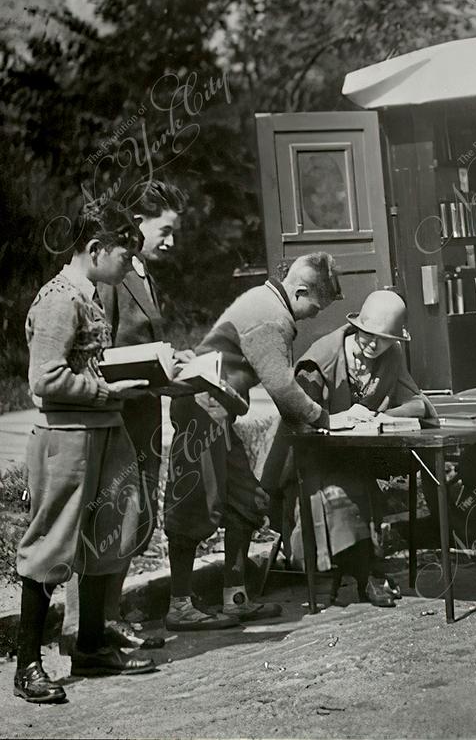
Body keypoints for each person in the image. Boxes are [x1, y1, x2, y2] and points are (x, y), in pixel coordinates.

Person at [15, 202, 157, 704]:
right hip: (67, 438)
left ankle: (92, 645)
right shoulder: (59, 299)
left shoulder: (90, 293)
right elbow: (44, 378)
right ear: (94, 249)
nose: (128, 266)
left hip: (104, 431)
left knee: (109, 533)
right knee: (52, 544)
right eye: (124, 254)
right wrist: (111, 393)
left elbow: (88, 363)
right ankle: (28, 664)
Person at [162, 252, 348, 631]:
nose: (317, 314)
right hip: (203, 411)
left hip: (216, 412)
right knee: (194, 507)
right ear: (299, 291)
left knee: (247, 501)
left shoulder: (268, 301)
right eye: (317, 304)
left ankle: (236, 599)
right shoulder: (273, 316)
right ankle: (179, 606)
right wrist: (326, 419)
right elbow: (282, 386)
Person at [61, 180, 189, 653]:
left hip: (142, 415)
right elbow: (102, 351)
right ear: (137, 224)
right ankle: (81, 626)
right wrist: (153, 370)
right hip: (117, 416)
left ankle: (107, 618)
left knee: (132, 520)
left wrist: (173, 360)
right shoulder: (112, 277)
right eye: (166, 229)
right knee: (105, 518)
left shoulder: (139, 271)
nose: (172, 241)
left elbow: (141, 342)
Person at [264, 290, 435, 607]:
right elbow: (297, 421)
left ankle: (367, 573)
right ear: (358, 326)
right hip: (306, 460)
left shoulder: (391, 357)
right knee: (342, 495)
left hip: (353, 455)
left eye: (383, 339)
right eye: (368, 335)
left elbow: (419, 406)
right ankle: (367, 575)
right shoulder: (320, 360)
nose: (373, 344)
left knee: (362, 482)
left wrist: (381, 415)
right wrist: (338, 418)